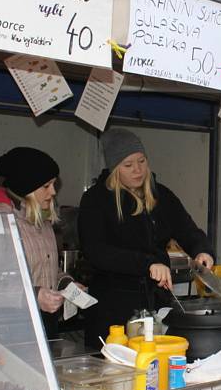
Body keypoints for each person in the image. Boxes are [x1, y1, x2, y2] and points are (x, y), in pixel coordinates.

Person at [78, 128, 214, 347]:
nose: (138, 170)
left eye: (142, 161)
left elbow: (187, 229)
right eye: (128, 165)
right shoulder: (95, 200)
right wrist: (148, 264)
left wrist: (202, 250)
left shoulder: (162, 195)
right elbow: (97, 252)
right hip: (112, 311)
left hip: (155, 306)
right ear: (114, 168)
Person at [0, 147, 72, 339]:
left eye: (53, 184)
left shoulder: (43, 220)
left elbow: (47, 269)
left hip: (45, 324)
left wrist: (65, 283)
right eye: (46, 186)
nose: (53, 192)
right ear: (26, 188)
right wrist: (33, 295)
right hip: (10, 328)